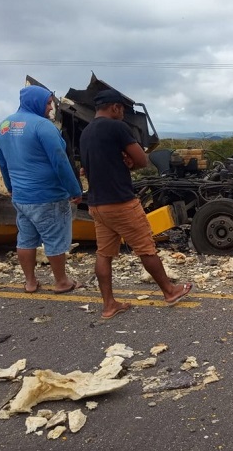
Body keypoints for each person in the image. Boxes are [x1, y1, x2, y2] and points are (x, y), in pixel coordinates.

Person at [79, 89, 192, 319]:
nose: (123, 115)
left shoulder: (86, 132)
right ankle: (170, 291)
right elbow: (142, 160)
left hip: (97, 204)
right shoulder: (117, 127)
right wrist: (131, 163)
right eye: (122, 110)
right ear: (115, 107)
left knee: (104, 254)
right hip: (120, 202)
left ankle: (109, 305)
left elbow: (89, 167)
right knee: (146, 248)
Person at [0, 85, 83, 294]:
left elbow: (3, 162)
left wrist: (10, 187)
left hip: (22, 197)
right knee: (54, 240)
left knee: (25, 239)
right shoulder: (43, 126)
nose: (50, 107)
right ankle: (62, 282)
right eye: (48, 102)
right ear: (35, 101)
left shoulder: (3, 126)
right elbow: (60, 161)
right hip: (48, 196)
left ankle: (30, 282)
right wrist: (74, 189)